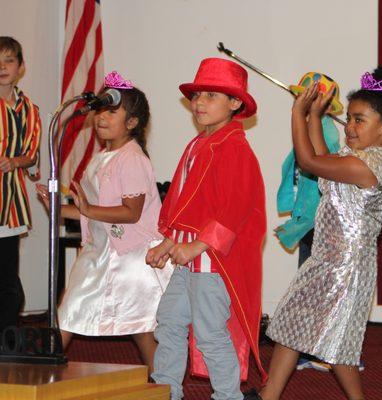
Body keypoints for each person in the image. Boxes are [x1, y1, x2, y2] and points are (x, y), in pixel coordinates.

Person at [248, 66, 382, 400]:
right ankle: (270, 396)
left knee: (336, 343)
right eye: (349, 118)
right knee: (292, 327)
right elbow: (322, 158)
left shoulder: (365, 166)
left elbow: (308, 162)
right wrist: (314, 115)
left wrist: (298, 111)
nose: (349, 127)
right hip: (328, 260)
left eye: (359, 120)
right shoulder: (358, 158)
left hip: (345, 269)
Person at [146, 58, 267, 400]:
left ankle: (227, 396)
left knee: (211, 332)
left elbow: (233, 211)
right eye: (197, 95)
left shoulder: (234, 148)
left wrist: (195, 247)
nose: (199, 103)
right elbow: (185, 206)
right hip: (188, 261)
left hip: (213, 263)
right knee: (169, 322)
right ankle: (166, 390)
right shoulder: (199, 144)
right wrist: (169, 242)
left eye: (211, 95)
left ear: (235, 103)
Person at [36, 71, 172, 375]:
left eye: (112, 111)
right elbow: (91, 210)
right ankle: (44, 369)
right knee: (69, 311)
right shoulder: (102, 157)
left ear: (132, 123)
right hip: (101, 252)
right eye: (100, 110)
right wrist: (58, 208)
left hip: (130, 256)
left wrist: (87, 209)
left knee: (140, 325)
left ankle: (164, 381)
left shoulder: (132, 158)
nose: (101, 117)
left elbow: (130, 213)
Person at [275, 72, 342, 372]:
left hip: (320, 222)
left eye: (314, 99)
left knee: (318, 287)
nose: (305, 104)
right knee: (308, 286)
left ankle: (326, 349)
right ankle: (308, 347)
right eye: (303, 97)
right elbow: (296, 177)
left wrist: (301, 220)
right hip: (309, 221)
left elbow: (314, 169)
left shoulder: (325, 130)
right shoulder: (303, 127)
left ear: (326, 107)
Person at [0, 36, 41, 336]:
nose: (2, 67)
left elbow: (33, 156)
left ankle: (7, 335)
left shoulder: (29, 109)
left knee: (7, 276)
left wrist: (17, 162)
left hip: (10, 205)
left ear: (20, 67)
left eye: (9, 60)